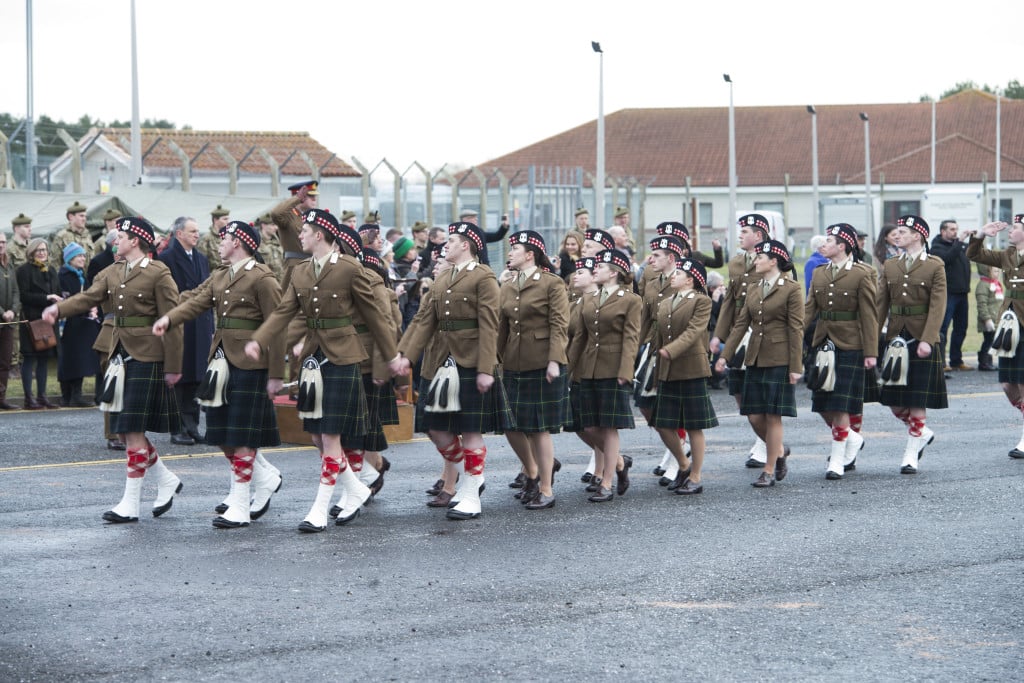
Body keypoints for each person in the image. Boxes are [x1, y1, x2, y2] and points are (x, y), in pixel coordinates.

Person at [246, 209, 396, 532]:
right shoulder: (300, 271)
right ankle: (355, 489)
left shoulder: (350, 268)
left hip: (344, 358)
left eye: (305, 230)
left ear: (319, 235)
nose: (299, 234)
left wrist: (391, 356)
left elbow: (376, 318)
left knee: (330, 436)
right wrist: (261, 339)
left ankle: (319, 507)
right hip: (314, 361)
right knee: (316, 435)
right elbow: (286, 311)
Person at [42, 216, 185, 523]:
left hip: (148, 354)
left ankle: (130, 503)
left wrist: (173, 366)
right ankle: (165, 479)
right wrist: (59, 309)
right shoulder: (111, 271)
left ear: (135, 240)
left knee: (131, 429)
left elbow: (173, 319)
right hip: (119, 353)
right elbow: (88, 298)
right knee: (123, 428)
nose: (114, 241)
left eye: (120, 236)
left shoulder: (159, 273)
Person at [153, 220, 283, 528]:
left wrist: (276, 373)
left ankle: (239, 504)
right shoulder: (220, 275)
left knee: (241, 436)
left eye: (224, 238)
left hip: (252, 365)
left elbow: (278, 325)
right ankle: (265, 477)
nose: (218, 243)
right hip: (221, 363)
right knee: (221, 434)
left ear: (238, 242)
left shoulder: (263, 278)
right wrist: (169, 320)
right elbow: (195, 302)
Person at [390, 221, 512, 520]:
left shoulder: (483, 277)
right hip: (441, 362)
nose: (447, 244)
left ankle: (471, 492)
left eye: (453, 239)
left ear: (467, 244)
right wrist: (405, 355)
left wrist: (485, 368)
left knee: (470, 429)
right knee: (434, 427)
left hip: (471, 360)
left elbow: (489, 324)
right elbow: (423, 320)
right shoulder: (445, 277)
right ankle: (471, 475)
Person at [716, 240, 804, 487]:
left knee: (773, 415)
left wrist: (796, 366)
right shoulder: (754, 288)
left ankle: (768, 469)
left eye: (759, 258)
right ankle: (778, 452)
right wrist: (725, 355)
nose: (755, 261)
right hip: (754, 356)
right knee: (754, 416)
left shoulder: (791, 288)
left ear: (773, 261)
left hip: (780, 357)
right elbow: (741, 324)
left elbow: (796, 328)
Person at [498, 230, 570, 510]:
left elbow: (559, 325)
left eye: (515, 249)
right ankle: (532, 471)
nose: (510, 252)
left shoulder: (551, 284)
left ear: (530, 254)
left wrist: (554, 360)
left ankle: (546, 489)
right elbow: (501, 329)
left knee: (539, 428)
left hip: (541, 362)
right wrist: (495, 360)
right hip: (514, 362)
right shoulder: (508, 285)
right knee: (512, 424)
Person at [565, 248, 642, 502]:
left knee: (609, 428)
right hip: (588, 367)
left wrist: (626, 371)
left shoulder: (630, 300)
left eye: (600, 266)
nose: (594, 269)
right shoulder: (590, 299)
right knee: (588, 425)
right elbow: (580, 338)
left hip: (613, 367)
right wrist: (569, 368)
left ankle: (606, 483)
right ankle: (619, 462)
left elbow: (631, 338)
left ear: (614, 272)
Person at [804, 224, 879, 480]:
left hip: (851, 344)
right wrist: (792, 335)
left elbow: (869, 315)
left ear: (843, 246)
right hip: (824, 342)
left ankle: (836, 459)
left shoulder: (861, 274)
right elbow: (808, 310)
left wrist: (871, 351)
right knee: (821, 402)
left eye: (830, 240)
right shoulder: (819, 273)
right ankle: (853, 438)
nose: (824, 244)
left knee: (840, 404)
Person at [876, 215, 948, 474]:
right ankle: (922, 432)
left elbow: (938, 305)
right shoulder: (891, 264)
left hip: (921, 337)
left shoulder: (934, 265)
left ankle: (910, 452)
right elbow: (881, 304)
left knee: (917, 398)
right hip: (896, 338)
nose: (898, 235)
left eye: (904, 232)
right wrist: (874, 337)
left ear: (918, 235)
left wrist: (928, 339)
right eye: (897, 232)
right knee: (892, 400)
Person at [710, 213, 776, 469]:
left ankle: (767, 445)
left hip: (763, 333)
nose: (740, 236)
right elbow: (730, 302)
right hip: (739, 332)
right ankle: (766, 439)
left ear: (759, 235)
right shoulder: (736, 263)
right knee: (739, 393)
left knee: (761, 395)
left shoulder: (775, 259)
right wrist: (719, 336)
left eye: (745, 232)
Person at [650, 257, 718, 494]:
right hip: (668, 369)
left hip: (691, 368)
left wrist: (671, 350)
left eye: (678, 273)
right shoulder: (666, 302)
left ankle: (696, 476)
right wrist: (657, 367)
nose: (673, 276)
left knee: (693, 426)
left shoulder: (701, 301)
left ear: (690, 279)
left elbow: (694, 331)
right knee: (663, 424)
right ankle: (683, 464)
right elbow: (658, 337)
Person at [966, 216, 1024, 459]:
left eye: (1016, 228)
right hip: (1009, 325)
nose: (1010, 231)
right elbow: (973, 255)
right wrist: (980, 234)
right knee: (1007, 383)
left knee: (1022, 381)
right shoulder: (1007, 255)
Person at [637, 235, 692, 487]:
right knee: (646, 403)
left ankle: (679, 458)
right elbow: (645, 320)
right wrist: (636, 347)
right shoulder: (651, 282)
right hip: (653, 348)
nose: (651, 259)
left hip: (676, 349)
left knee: (672, 407)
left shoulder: (684, 280)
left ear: (671, 258)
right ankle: (678, 449)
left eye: (657, 255)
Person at [157, 217, 213, 446]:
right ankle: (176, 428)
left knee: (196, 378)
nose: (196, 235)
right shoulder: (166, 259)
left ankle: (192, 426)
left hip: (199, 324)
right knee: (178, 379)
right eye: (192, 231)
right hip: (180, 324)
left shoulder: (200, 258)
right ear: (179, 233)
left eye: (197, 231)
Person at [17, 238, 61, 409]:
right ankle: (29, 398)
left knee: (44, 358)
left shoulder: (51, 270)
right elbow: (24, 296)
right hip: (31, 319)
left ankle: (42, 396)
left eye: (44, 250)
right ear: (31, 252)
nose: (42, 253)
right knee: (29, 358)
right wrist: (46, 298)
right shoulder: (23, 270)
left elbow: (56, 291)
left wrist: (56, 300)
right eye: (39, 250)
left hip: (48, 319)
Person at [57, 243, 101, 407]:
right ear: (70, 258)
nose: (83, 258)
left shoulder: (81, 275)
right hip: (68, 322)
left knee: (80, 359)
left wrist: (93, 308)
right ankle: (66, 395)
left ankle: (76, 393)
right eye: (79, 256)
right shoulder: (63, 275)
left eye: (83, 255)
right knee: (68, 359)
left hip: (81, 321)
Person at [931, 219, 973, 371]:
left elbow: (973, 252)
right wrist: (960, 241)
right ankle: (941, 362)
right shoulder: (936, 247)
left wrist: (974, 238)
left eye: (956, 229)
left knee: (961, 328)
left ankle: (956, 360)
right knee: (943, 329)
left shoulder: (960, 246)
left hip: (962, 293)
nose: (955, 232)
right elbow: (947, 259)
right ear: (943, 231)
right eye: (952, 229)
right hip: (948, 294)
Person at [0, 230, 20, 409]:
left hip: (8, 321)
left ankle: (2, 398)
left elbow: (15, 291)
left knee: (5, 361)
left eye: (3, 242)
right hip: (1, 318)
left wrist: (13, 310)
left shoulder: (9, 265)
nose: (1, 245)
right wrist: (2, 312)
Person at [49, 201, 96, 270]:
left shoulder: (87, 236)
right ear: (71, 217)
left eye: (85, 216)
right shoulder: (62, 236)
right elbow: (55, 263)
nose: (84, 219)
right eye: (81, 216)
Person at [974, 263, 1001, 372]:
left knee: (991, 341)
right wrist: (987, 319)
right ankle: (983, 362)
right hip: (988, 320)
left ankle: (987, 361)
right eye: (995, 271)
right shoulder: (983, 285)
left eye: (998, 271)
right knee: (988, 341)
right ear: (987, 271)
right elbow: (982, 304)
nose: (997, 273)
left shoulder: (995, 284)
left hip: (995, 319)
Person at [256, 213, 284, 281]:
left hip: (281, 281)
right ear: (263, 225)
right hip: (266, 282)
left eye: (276, 225)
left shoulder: (278, 242)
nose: (276, 228)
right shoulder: (257, 243)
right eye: (272, 225)